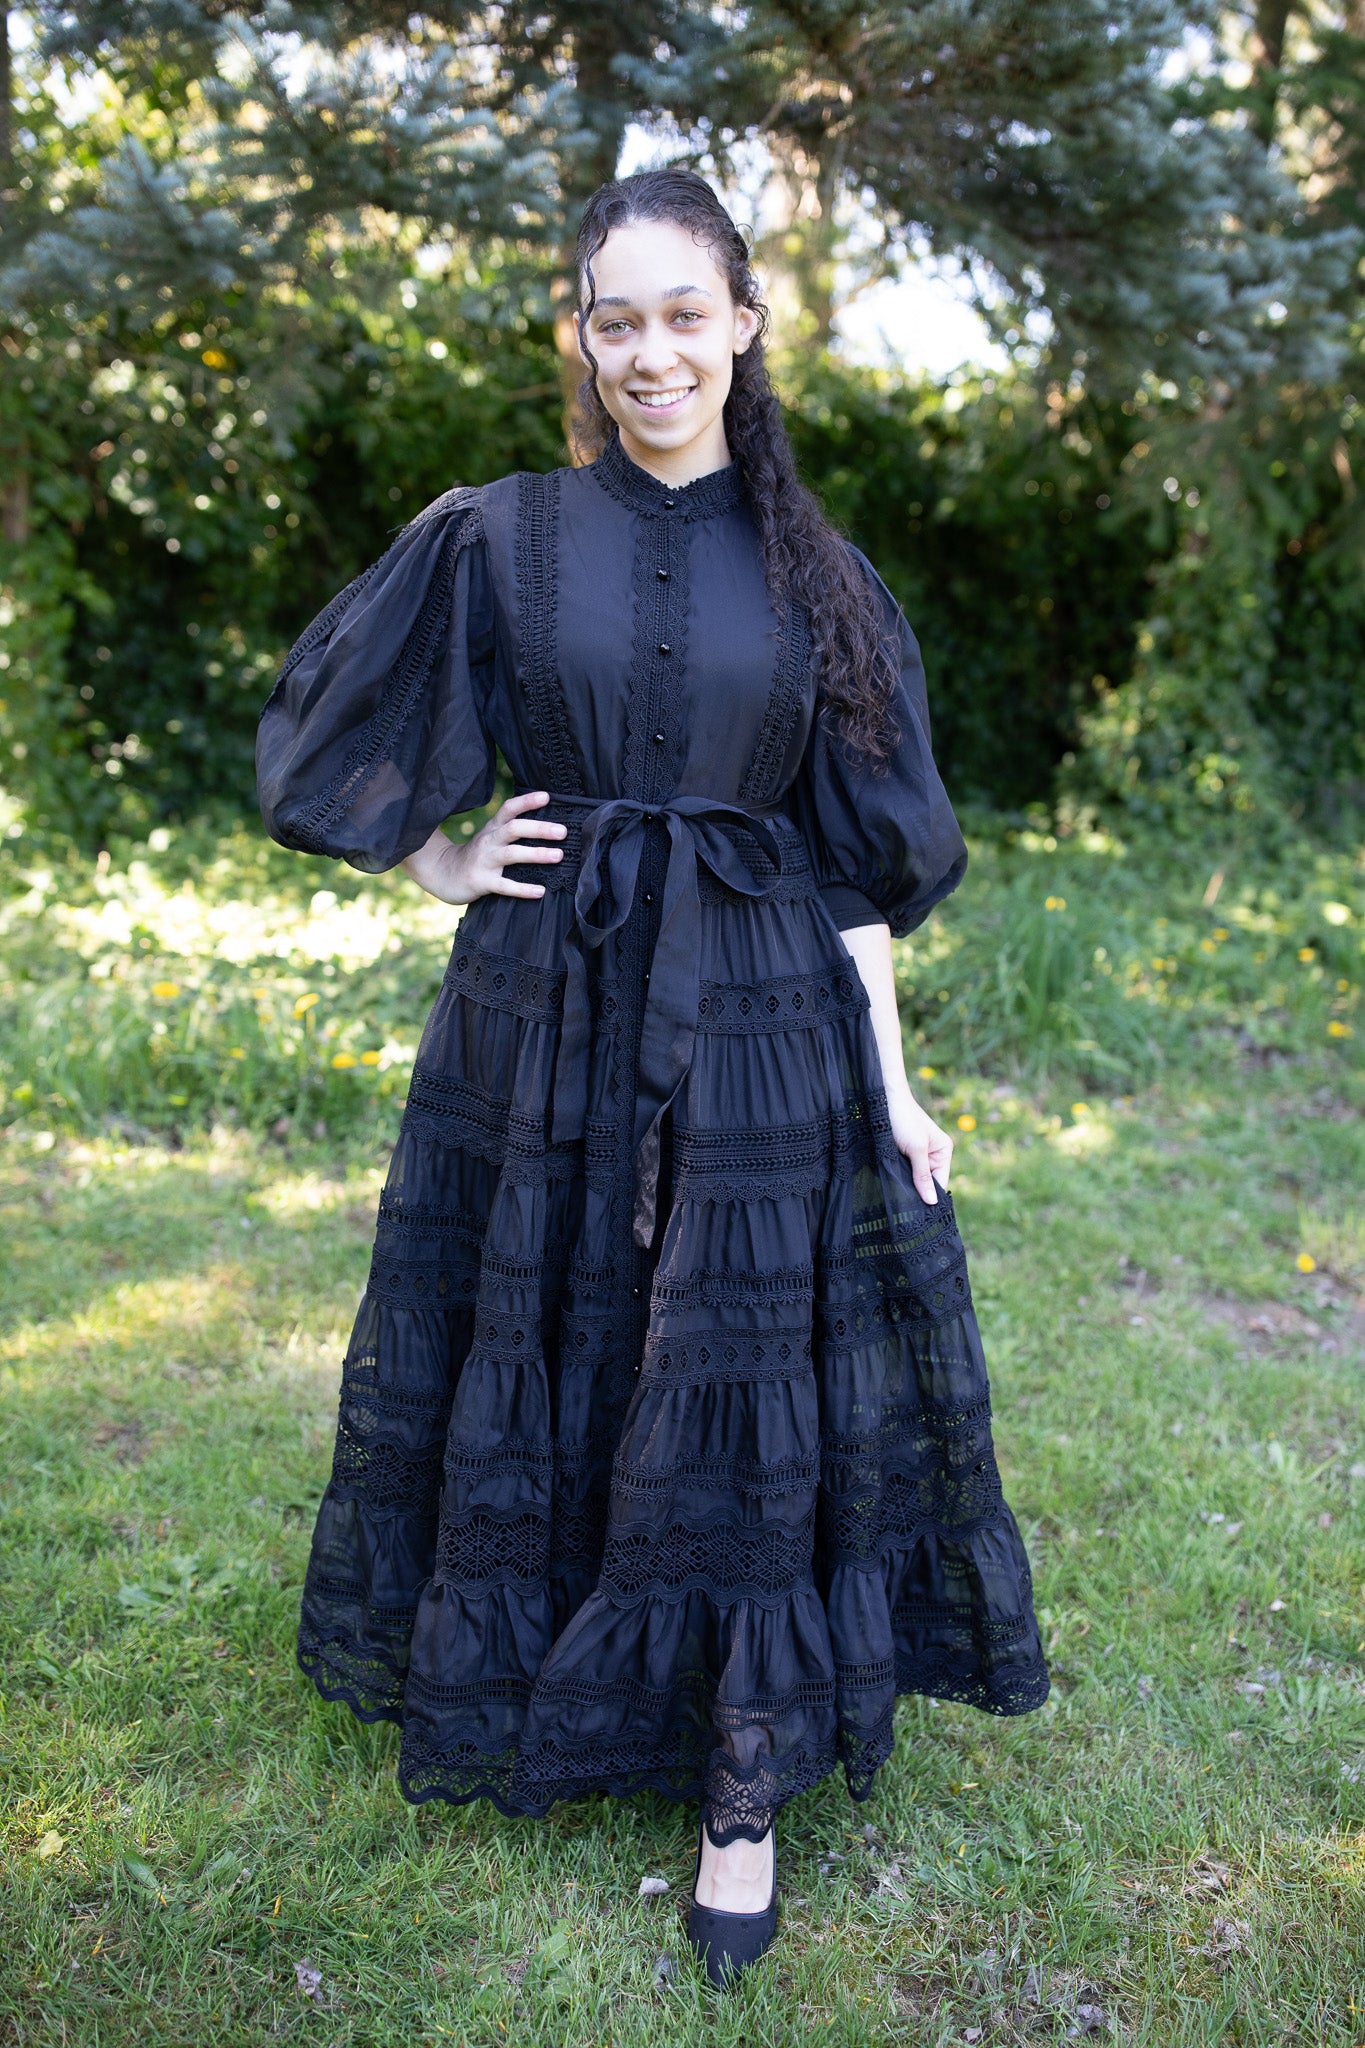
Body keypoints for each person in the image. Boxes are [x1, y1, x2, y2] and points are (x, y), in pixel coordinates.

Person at [256, 166, 1049, 1989]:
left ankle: (737, 1796)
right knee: (559, 1316)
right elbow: (332, 732)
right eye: (615, 320)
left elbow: (853, 866)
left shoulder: (818, 572)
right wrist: (439, 859)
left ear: (744, 327)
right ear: (582, 336)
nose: (650, 353)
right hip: (544, 998)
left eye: (684, 314)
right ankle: (550, 1659)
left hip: (763, 1009)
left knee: (727, 1364)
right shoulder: (500, 535)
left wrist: (895, 1085)